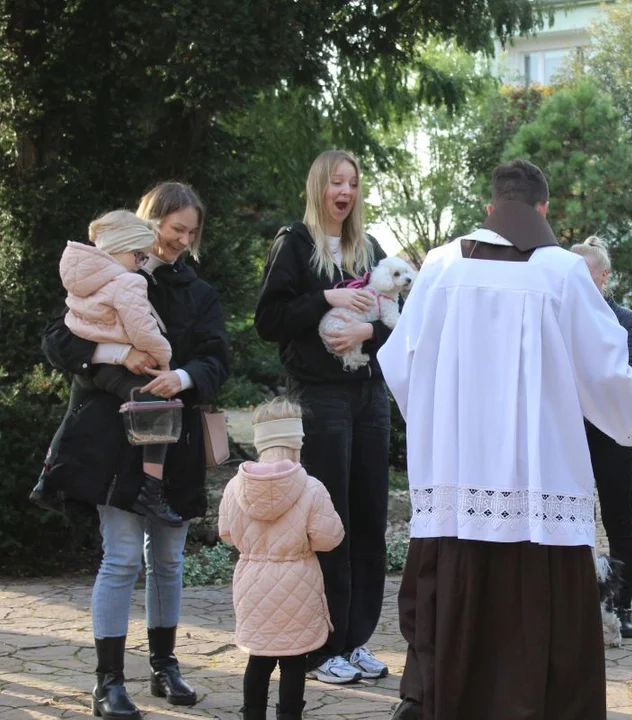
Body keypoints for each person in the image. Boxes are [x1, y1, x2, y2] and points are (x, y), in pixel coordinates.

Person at [378, 159, 632, 720]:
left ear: (490, 209)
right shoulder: (561, 271)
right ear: (544, 209)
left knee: (458, 625)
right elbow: (605, 378)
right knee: (536, 634)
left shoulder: (439, 265)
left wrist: (446, 432)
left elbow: (402, 369)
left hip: (455, 495)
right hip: (541, 496)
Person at [39, 181, 230, 717]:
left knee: (168, 560)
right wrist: (117, 352)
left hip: (178, 438)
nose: (182, 242)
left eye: (192, 234)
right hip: (113, 442)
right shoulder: (107, 274)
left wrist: (186, 378)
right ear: (151, 223)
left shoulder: (201, 293)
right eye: (175, 230)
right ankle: (108, 681)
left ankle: (165, 666)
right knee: (121, 557)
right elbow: (58, 340)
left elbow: (217, 359)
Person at [254, 149, 393, 685]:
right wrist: (327, 297)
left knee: (369, 519)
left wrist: (368, 334)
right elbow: (268, 320)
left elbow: (398, 321)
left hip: (369, 396)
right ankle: (322, 646)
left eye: (353, 183)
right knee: (329, 522)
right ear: (319, 188)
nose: (346, 192)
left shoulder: (370, 248)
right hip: (322, 397)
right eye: (336, 182)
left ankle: (356, 639)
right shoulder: (294, 244)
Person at [32, 210, 182, 526]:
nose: (142, 261)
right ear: (121, 247)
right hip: (115, 368)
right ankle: (151, 490)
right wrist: (162, 354)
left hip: (90, 370)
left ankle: (47, 480)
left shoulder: (84, 279)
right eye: (138, 254)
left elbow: (71, 326)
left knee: (73, 415)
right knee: (157, 405)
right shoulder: (127, 281)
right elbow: (141, 329)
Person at [219, 397, 345, 720]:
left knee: (258, 659)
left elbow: (227, 533)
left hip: (252, 586)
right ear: (296, 442)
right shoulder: (312, 488)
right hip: (298, 585)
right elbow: (329, 539)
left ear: (260, 441)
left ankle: (252, 714)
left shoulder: (235, 488)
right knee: (293, 662)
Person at [569, 235, 632, 638]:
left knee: (619, 521)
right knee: (572, 518)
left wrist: (630, 375)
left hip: (613, 434)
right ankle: (576, 603)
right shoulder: (558, 317)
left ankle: (623, 605)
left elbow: (620, 375)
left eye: (584, 274)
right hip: (568, 433)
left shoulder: (627, 321)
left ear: (603, 276)